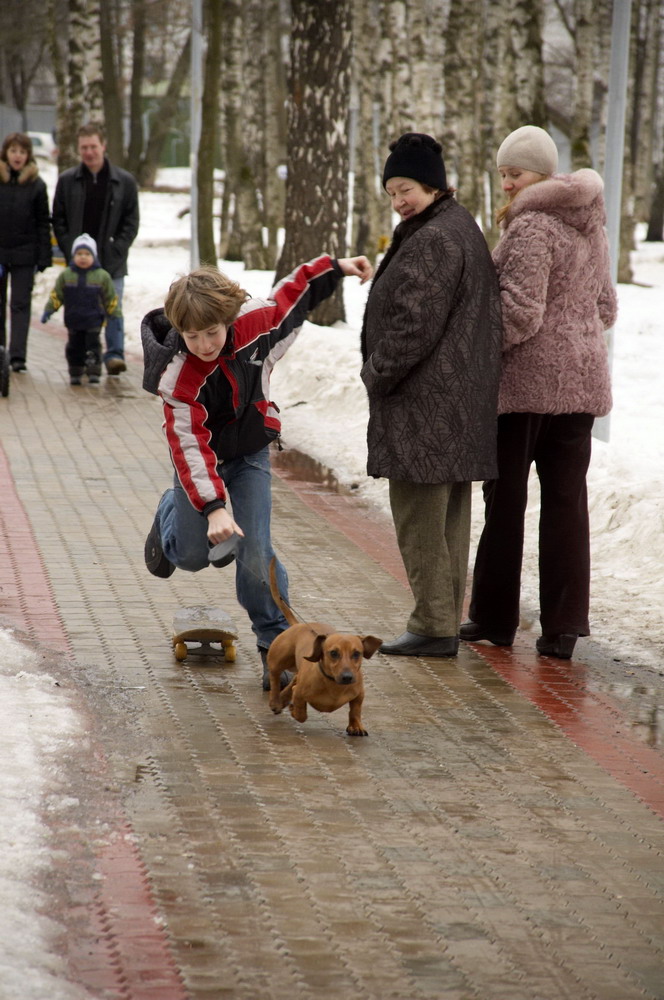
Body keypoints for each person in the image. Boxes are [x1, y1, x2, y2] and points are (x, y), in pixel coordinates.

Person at [141, 253, 373, 688]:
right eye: (193, 337)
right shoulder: (176, 376)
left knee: (255, 548)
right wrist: (211, 507)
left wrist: (336, 268)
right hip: (200, 464)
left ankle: (274, 643)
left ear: (228, 319)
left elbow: (293, 296)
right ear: (179, 333)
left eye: (212, 332)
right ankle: (171, 510)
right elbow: (189, 445)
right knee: (191, 557)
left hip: (249, 455)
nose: (206, 344)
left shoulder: (256, 327)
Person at [460, 125, 618, 660]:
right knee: (566, 506)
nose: (506, 184)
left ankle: (494, 618)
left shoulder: (530, 226)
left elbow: (520, 313)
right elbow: (607, 307)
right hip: (581, 388)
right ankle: (564, 627)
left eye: (516, 174)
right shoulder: (591, 223)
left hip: (526, 388)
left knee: (505, 502)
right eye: (503, 173)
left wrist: (474, 345)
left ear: (543, 176)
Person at [360, 132, 503, 658]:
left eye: (407, 189)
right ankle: (440, 621)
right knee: (447, 521)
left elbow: (413, 323)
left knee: (421, 517)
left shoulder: (435, 238)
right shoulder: (455, 226)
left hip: (426, 405)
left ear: (433, 186)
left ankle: (433, 624)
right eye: (392, 191)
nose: (399, 201)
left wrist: (377, 373)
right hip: (453, 404)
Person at [52, 122, 138, 375]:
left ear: (103, 146)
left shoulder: (124, 182)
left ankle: (114, 355)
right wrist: (71, 250)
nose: (89, 152)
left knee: (113, 308)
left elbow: (131, 222)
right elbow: (58, 219)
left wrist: (117, 249)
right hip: (78, 264)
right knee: (81, 313)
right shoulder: (68, 181)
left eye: (93, 146)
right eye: (84, 147)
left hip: (112, 261)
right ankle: (81, 358)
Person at [0, 132, 52, 371]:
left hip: (24, 254)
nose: (17, 156)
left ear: (28, 155)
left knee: (20, 305)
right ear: (6, 153)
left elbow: (43, 222)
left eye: (22, 152)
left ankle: (17, 356)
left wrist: (43, 256)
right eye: (13, 151)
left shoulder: (37, 185)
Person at [41, 233, 120, 385]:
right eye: (79, 254)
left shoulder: (102, 276)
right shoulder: (66, 275)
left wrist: (114, 314)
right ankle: (75, 371)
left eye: (87, 254)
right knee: (74, 348)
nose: (83, 257)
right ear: (73, 256)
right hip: (73, 320)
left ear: (94, 256)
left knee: (93, 347)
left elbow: (110, 298)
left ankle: (94, 372)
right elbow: (57, 295)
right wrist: (49, 310)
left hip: (94, 320)